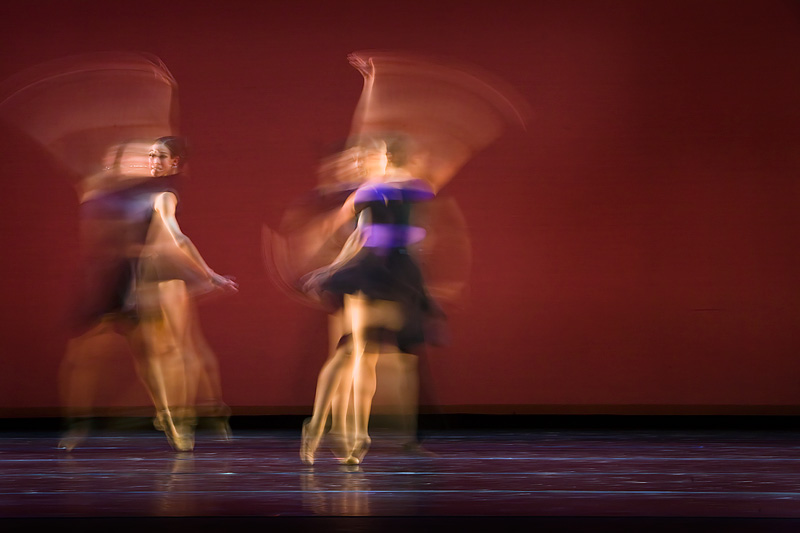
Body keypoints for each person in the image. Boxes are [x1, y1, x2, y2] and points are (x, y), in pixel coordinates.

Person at [299, 135, 444, 465]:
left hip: (395, 275)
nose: (372, 162)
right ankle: (329, 427)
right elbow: (354, 236)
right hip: (366, 273)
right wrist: (330, 271)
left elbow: (368, 231)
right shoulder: (370, 192)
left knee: (364, 355)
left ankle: (349, 432)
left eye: (377, 156)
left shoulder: (399, 189)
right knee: (352, 353)